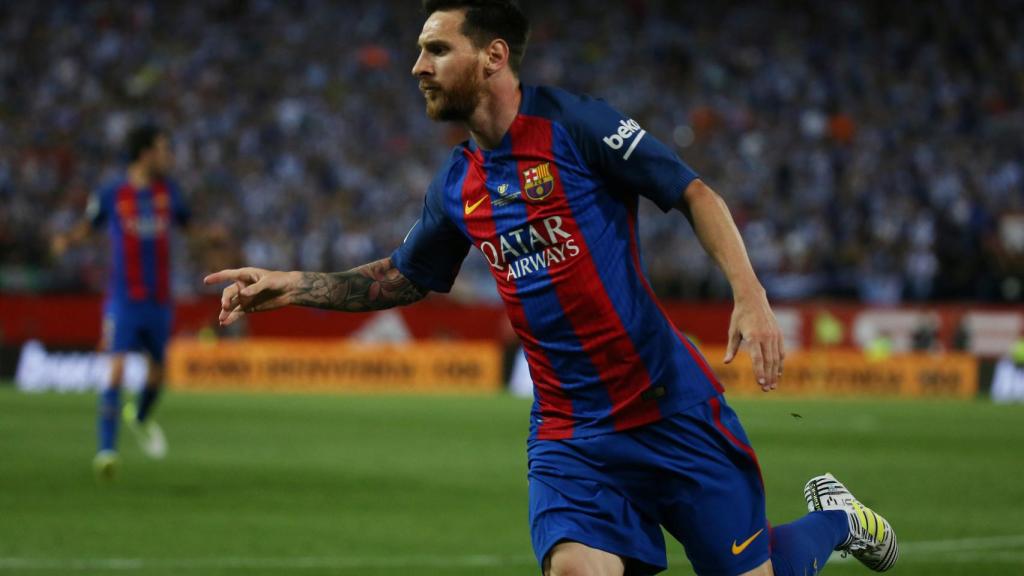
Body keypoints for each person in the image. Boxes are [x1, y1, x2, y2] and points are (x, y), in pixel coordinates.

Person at [205, 1, 898, 574]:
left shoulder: (578, 125)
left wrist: (750, 293)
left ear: (494, 56)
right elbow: (403, 275)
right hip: (572, 432)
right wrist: (291, 285)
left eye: (436, 49)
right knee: (575, 569)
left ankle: (834, 519)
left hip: (667, 407)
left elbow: (694, 191)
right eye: (420, 51)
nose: (417, 66)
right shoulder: (457, 184)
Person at [53, 123, 189, 480]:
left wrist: (214, 241)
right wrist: (67, 240)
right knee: (115, 368)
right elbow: (88, 226)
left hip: (159, 300)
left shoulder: (169, 193)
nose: (168, 156)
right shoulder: (112, 193)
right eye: (163, 148)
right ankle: (106, 450)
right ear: (145, 153)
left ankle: (140, 416)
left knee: (158, 375)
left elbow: (191, 228)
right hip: (123, 299)